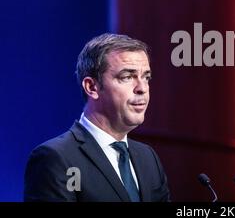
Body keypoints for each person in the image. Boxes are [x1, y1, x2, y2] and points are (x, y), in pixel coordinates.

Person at [24, 33, 170, 202]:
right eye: (127, 77)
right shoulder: (56, 159)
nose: (142, 88)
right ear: (92, 87)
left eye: (146, 77)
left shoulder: (148, 157)